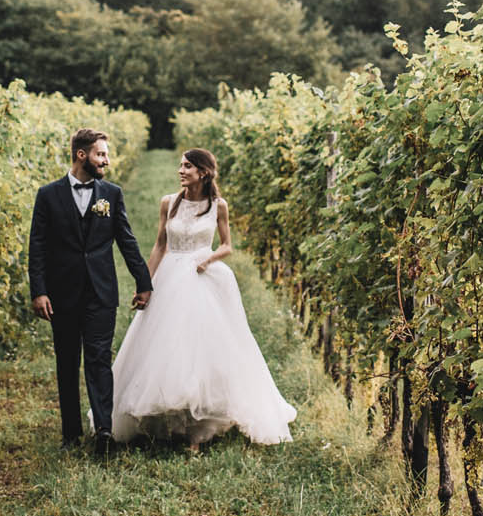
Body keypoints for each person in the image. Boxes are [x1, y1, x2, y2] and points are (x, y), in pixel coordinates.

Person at [110, 149, 296, 452]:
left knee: (202, 344)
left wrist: (208, 260)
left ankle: (198, 425)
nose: (181, 170)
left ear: (203, 172)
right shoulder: (169, 203)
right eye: (181, 165)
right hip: (171, 275)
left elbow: (227, 245)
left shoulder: (217, 206)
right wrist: (145, 283)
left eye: (187, 166)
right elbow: (159, 246)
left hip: (201, 275)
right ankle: (168, 413)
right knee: (166, 342)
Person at [28, 128, 152, 458]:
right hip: (62, 293)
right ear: (82, 155)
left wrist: (144, 282)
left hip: (101, 292)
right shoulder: (48, 195)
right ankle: (71, 432)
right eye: (101, 154)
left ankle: (104, 431)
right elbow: (37, 246)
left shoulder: (110, 194)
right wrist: (39, 291)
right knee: (67, 362)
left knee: (98, 360)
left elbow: (126, 240)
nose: (106, 161)